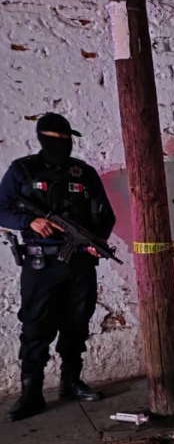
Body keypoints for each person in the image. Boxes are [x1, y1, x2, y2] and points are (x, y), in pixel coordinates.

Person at [0, 113, 116, 422]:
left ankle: (71, 381)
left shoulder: (84, 173)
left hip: (79, 261)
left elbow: (106, 216)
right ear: (42, 139)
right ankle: (31, 392)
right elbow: (1, 209)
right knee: (36, 326)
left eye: (67, 141)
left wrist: (96, 241)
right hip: (40, 264)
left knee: (77, 323)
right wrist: (30, 221)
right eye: (56, 140)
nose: (62, 146)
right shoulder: (22, 170)